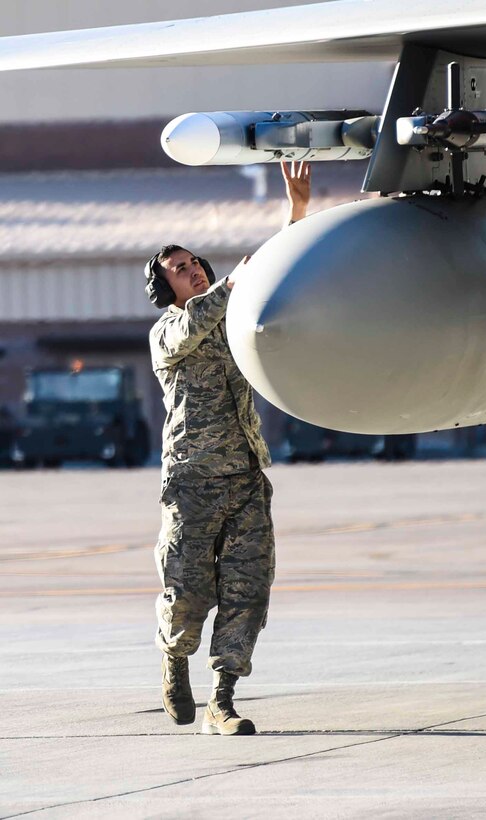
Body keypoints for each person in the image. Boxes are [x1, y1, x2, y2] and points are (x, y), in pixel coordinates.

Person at [146, 160, 311, 736]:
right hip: (192, 483)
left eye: (192, 263)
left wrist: (295, 212)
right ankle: (173, 658)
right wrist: (227, 287)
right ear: (165, 287)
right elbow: (197, 319)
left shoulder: (230, 315)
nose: (189, 271)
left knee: (247, 590)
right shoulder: (169, 331)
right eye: (177, 269)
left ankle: (224, 700)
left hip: (244, 478)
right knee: (189, 592)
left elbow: (269, 275)